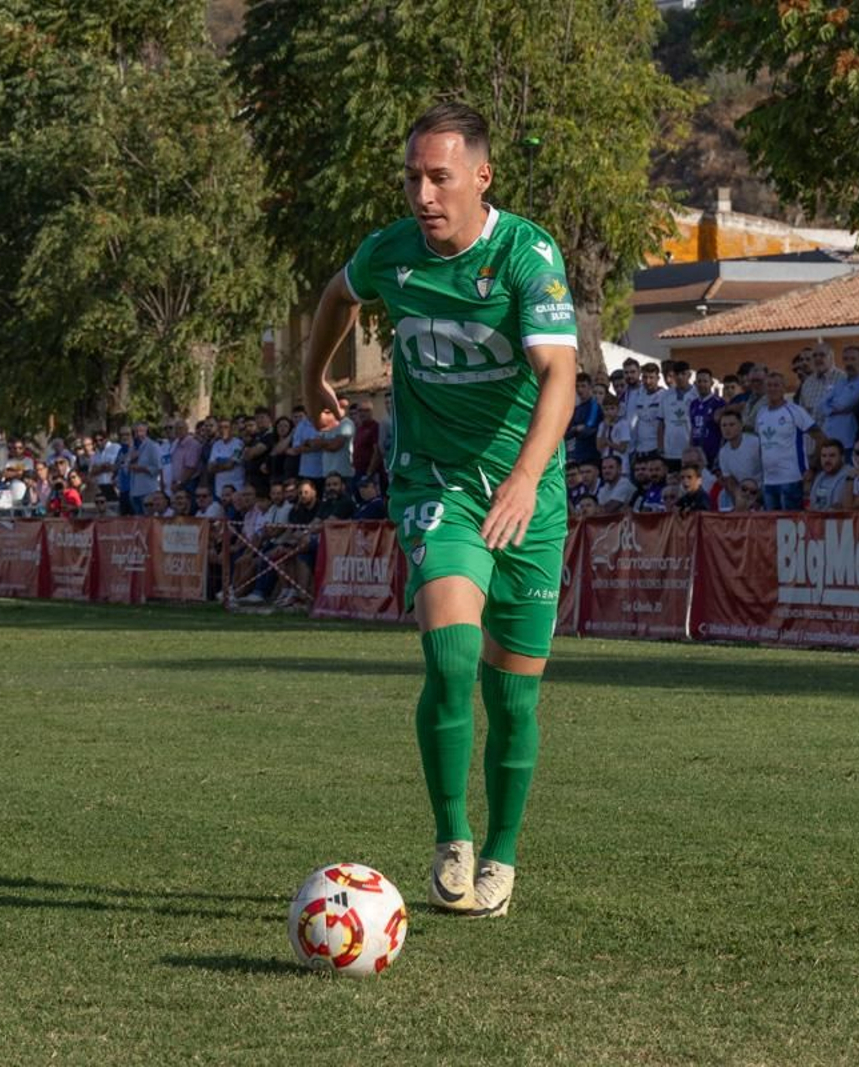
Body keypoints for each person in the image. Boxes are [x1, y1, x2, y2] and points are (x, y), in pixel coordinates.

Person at [301, 102, 578, 918]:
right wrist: (313, 376)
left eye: (439, 177)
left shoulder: (528, 255)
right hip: (435, 485)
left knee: (514, 697)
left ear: (480, 177)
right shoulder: (391, 253)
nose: (422, 193)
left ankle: (502, 854)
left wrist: (527, 478)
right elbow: (335, 296)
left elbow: (559, 375)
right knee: (453, 658)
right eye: (413, 177)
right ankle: (452, 835)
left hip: (528, 494)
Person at [752, 371, 814, 511]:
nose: (772, 389)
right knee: (772, 525)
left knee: (791, 525)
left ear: (784, 388)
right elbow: (761, 445)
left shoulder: (795, 411)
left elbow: (818, 435)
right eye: (769, 385)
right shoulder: (761, 413)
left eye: (776, 385)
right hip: (769, 480)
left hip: (791, 479)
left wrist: (813, 465)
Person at [808, 439, 850, 510]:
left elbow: (837, 506)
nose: (827, 460)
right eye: (824, 456)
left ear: (842, 457)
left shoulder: (849, 475)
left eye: (832, 455)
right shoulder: (820, 475)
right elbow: (812, 503)